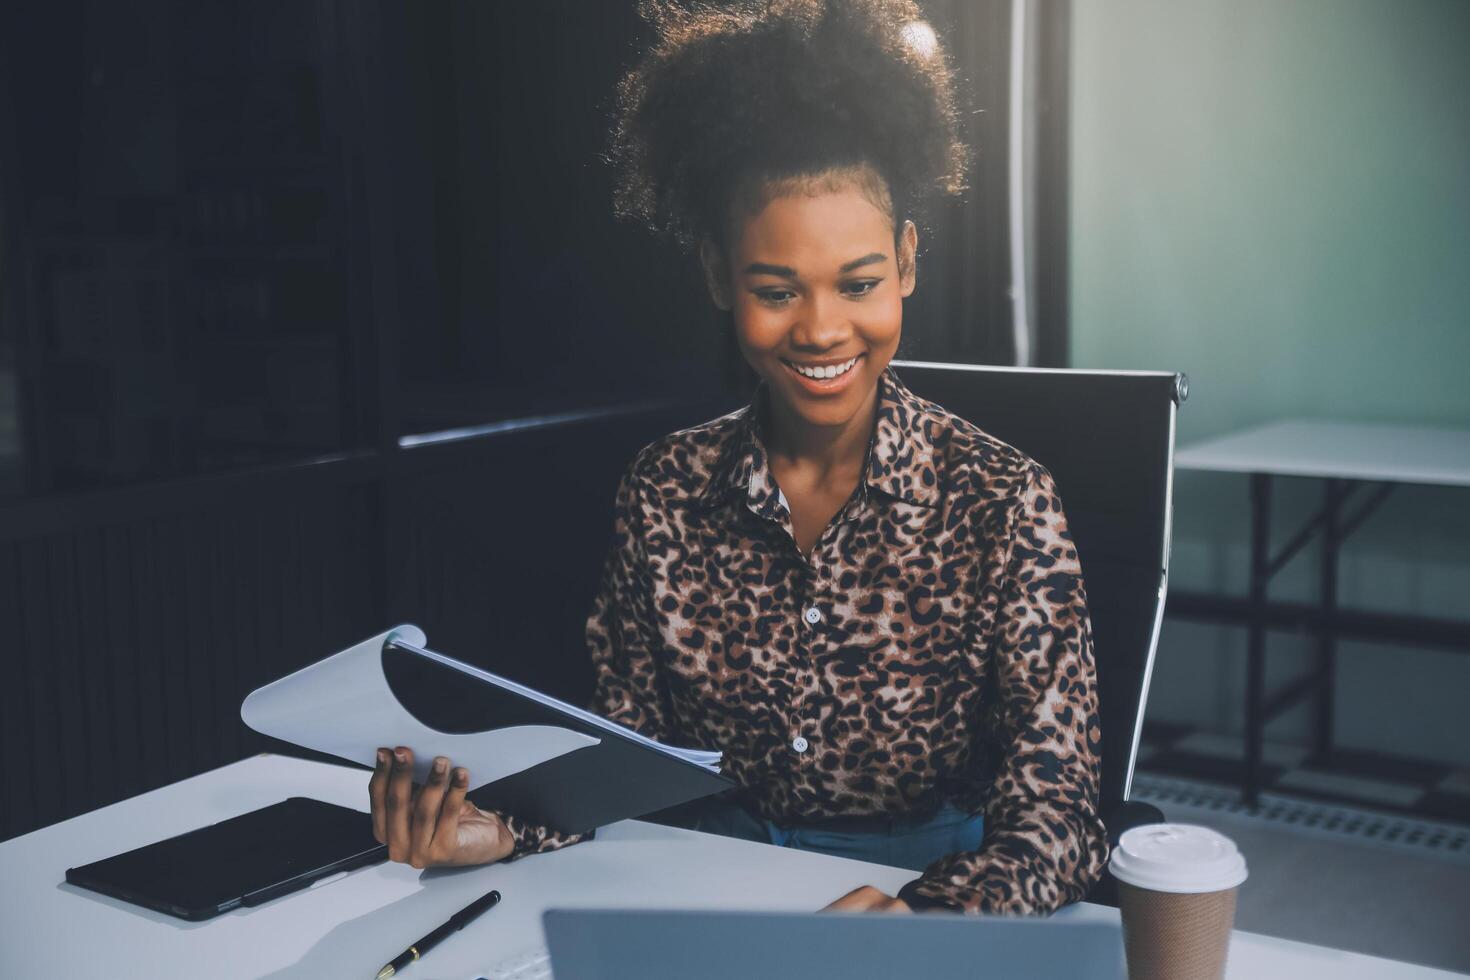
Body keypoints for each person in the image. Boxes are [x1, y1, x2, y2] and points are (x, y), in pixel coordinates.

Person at [369, 0, 1108, 915]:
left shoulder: (1005, 501)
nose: (823, 327)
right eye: (776, 289)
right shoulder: (665, 491)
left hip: (918, 894)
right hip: (702, 880)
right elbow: (622, 757)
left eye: (861, 283)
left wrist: (928, 917)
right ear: (720, 276)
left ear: (909, 263)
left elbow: (1062, 819)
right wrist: (507, 829)